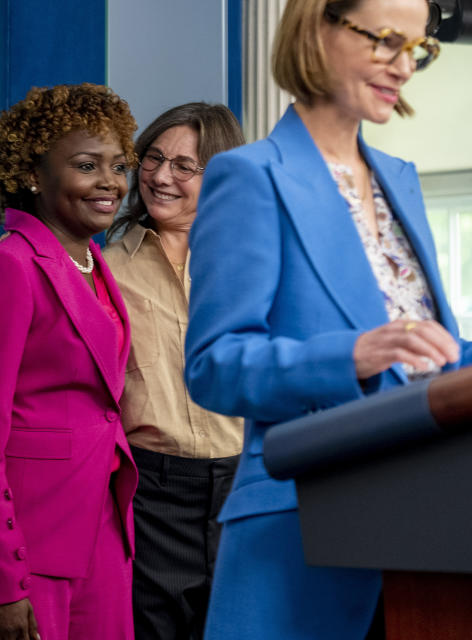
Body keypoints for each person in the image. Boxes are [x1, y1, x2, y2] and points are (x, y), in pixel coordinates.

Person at [183, 0, 471, 638]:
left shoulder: (400, 179)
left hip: (426, 525)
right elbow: (214, 366)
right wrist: (352, 355)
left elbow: (426, 345)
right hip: (298, 523)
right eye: (388, 41)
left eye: (418, 49)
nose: (404, 67)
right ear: (320, 28)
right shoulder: (249, 175)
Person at [0, 83, 140, 640]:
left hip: (100, 529)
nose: (109, 182)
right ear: (31, 174)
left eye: (119, 165)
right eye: (86, 165)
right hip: (25, 541)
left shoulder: (95, 265)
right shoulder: (5, 268)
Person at [103, 103, 245, 640]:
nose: (161, 177)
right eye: (153, 159)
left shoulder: (251, 265)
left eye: (184, 166)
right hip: (151, 490)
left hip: (243, 485)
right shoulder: (106, 268)